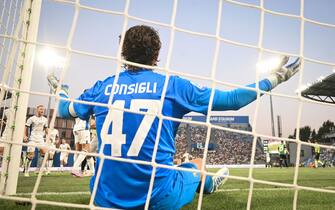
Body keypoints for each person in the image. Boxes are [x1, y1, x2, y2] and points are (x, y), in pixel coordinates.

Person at [48, 25, 301, 209]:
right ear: (156, 55)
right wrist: (275, 78)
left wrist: (62, 90)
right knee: (197, 164)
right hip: (158, 198)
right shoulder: (172, 86)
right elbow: (233, 100)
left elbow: (63, 110)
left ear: (122, 52)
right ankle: (209, 184)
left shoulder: (102, 88)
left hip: (104, 199)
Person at [23, 105, 48, 177]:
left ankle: (39, 170)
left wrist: (49, 136)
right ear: (37, 110)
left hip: (40, 139)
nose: (42, 111)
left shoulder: (45, 119)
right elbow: (26, 127)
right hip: (32, 139)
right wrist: (24, 135)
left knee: (44, 153)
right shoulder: (31, 118)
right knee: (31, 156)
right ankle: (26, 170)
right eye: (40, 109)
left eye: (43, 109)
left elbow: (46, 129)